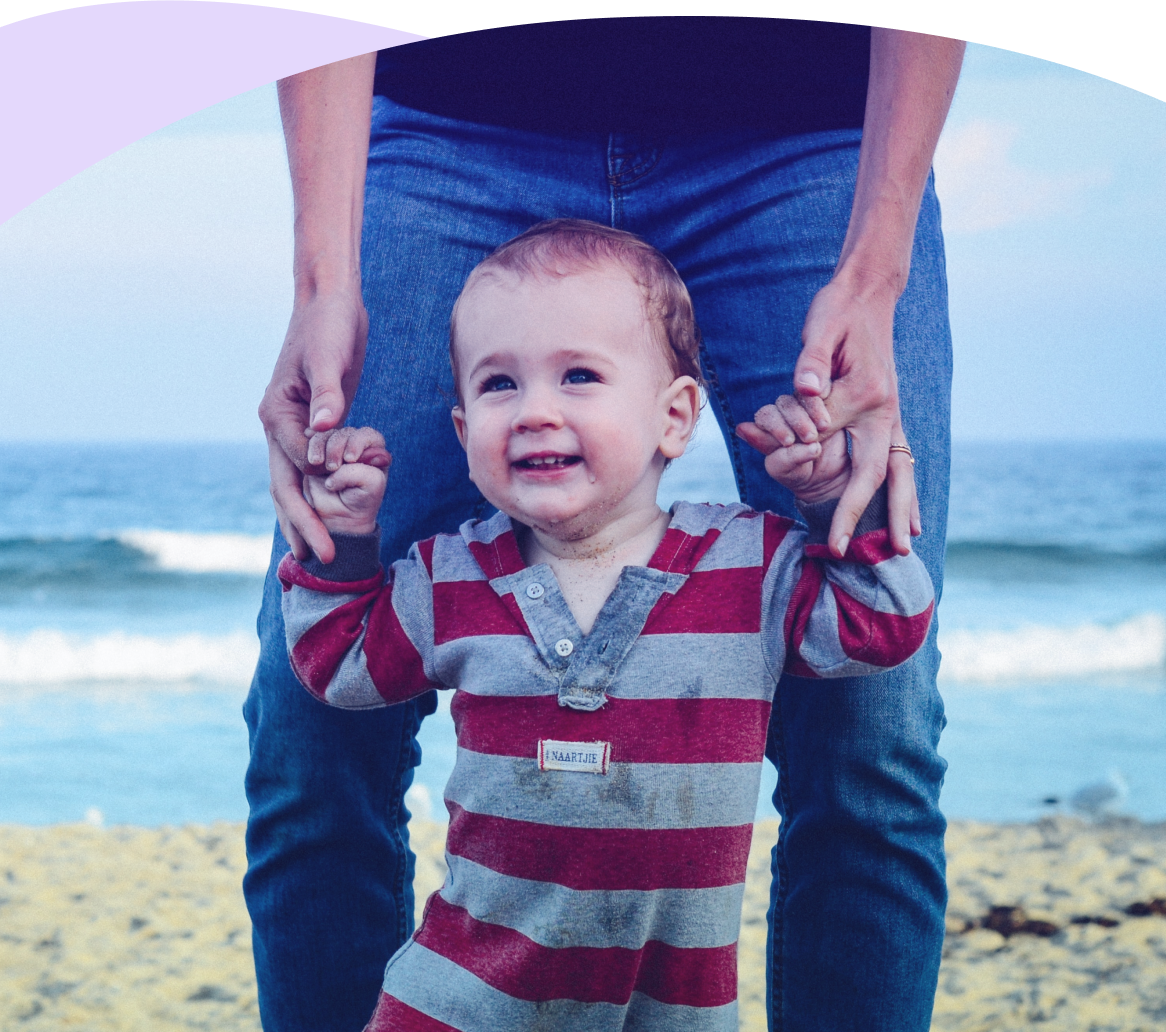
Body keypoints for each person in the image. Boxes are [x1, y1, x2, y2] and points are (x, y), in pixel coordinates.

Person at [245, 19, 964, 1031]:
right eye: (499, 394)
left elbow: (879, 618)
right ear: (466, 424)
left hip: (808, 135)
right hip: (450, 123)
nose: (537, 412)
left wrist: (874, 267)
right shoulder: (450, 583)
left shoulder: (743, 573)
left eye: (574, 385)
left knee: (872, 735)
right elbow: (337, 649)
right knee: (306, 736)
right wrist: (322, 284)